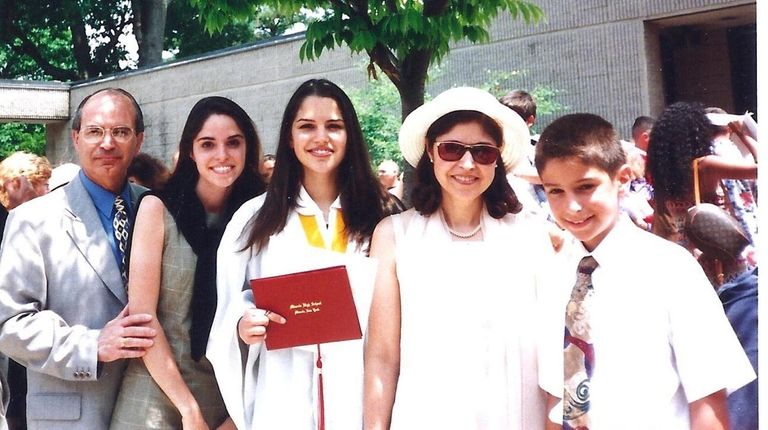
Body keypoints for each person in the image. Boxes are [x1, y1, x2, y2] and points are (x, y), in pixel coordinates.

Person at [533, 113, 755, 429]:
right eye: (555, 191)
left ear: (622, 179)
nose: (572, 206)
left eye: (585, 187)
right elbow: (557, 396)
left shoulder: (670, 271)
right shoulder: (553, 274)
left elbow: (709, 398)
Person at [208, 78, 395, 429]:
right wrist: (243, 320)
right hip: (283, 386)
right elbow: (231, 303)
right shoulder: (256, 218)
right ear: (289, 139)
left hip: (360, 386)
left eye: (334, 127)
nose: (320, 138)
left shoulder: (381, 215)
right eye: (307, 126)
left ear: (350, 136)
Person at [364, 87, 550, 429]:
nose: (467, 164)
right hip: (427, 415)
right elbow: (382, 356)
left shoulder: (532, 233)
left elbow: (552, 349)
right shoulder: (394, 236)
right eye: (452, 149)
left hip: (515, 416)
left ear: (497, 159)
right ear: (431, 153)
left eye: (483, 152)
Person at [0, 88, 157, 429]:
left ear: (139, 140)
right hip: (75, 416)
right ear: (75, 138)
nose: (107, 143)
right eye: (95, 131)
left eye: (120, 132)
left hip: (153, 412)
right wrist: (92, 344)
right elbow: (9, 324)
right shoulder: (32, 220)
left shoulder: (158, 209)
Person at [110, 97, 266, 429]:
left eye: (233, 143)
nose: (222, 155)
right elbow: (143, 318)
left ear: (248, 149)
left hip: (229, 396)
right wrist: (188, 409)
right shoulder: (158, 209)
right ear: (191, 151)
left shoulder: (260, 218)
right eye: (208, 144)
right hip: (155, 390)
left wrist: (236, 418)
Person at [646, 102, 757, 284]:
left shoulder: (661, 174)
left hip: (687, 257)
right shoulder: (705, 166)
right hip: (722, 255)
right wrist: (744, 135)